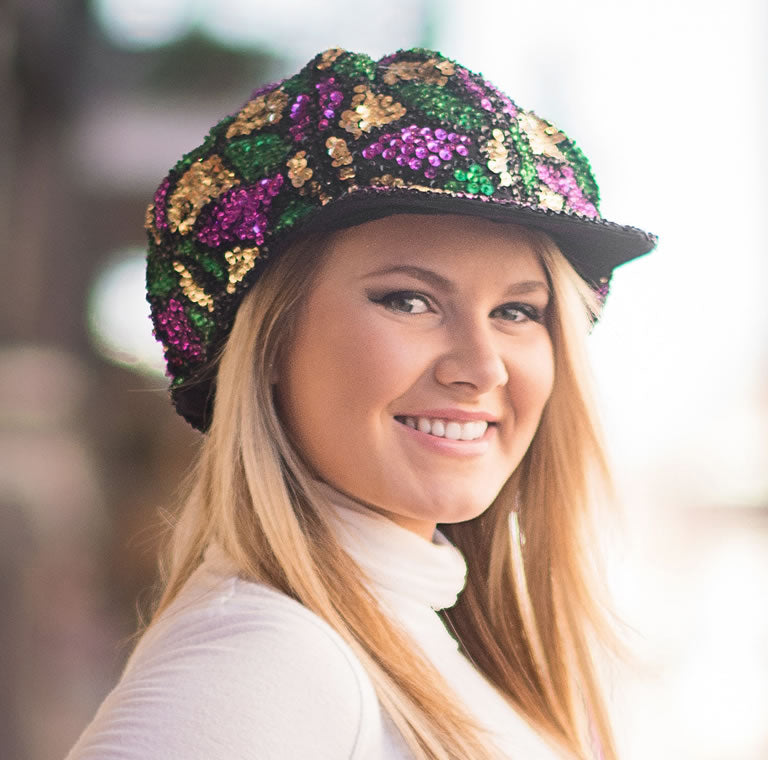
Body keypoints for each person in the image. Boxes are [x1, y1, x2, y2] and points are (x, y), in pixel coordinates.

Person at [65, 47, 655, 760]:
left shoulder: (401, 641)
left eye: (517, 311)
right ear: (270, 341)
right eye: (409, 300)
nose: (481, 368)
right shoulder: (266, 662)